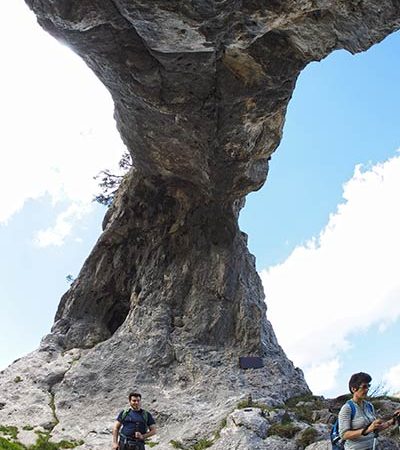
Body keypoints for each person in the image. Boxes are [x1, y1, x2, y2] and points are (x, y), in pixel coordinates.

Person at [338, 372, 400, 449]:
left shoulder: (369, 406)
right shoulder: (347, 408)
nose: (367, 389)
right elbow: (344, 435)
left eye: (368, 386)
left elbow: (375, 428)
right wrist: (367, 430)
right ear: (353, 389)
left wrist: (393, 420)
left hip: (374, 446)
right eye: (364, 386)